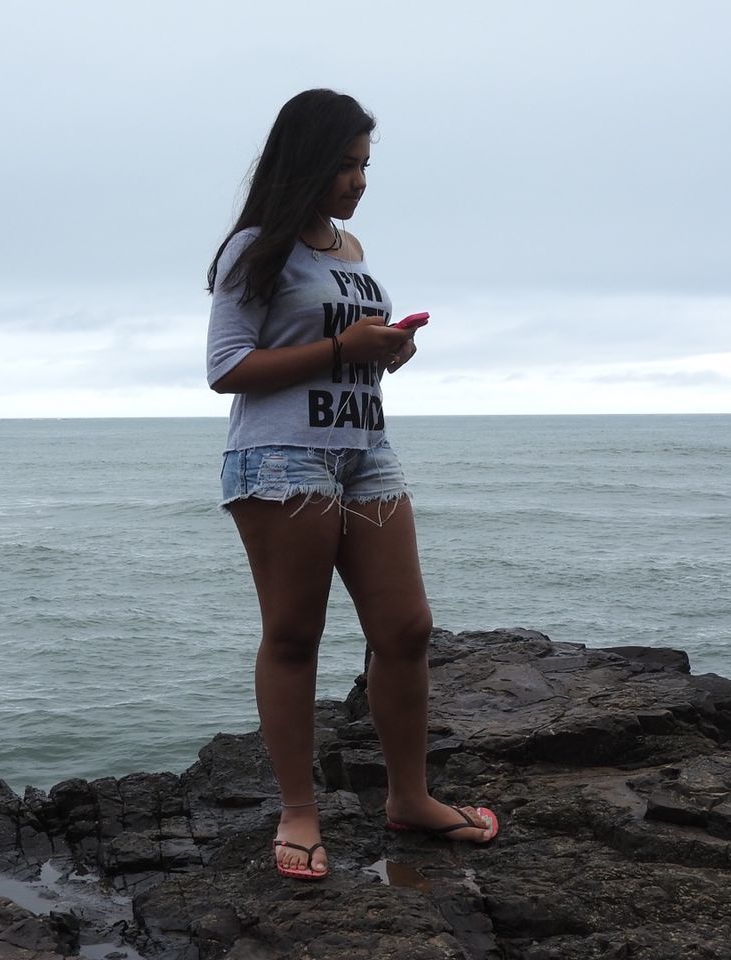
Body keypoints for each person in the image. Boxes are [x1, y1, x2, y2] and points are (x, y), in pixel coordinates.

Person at [205, 89, 497, 882]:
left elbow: (343, 343)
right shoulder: (255, 250)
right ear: (304, 161)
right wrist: (343, 351)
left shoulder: (352, 248)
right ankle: (299, 810)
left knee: (405, 630)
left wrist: (385, 352)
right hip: (281, 458)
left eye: (365, 164)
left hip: (365, 449)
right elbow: (226, 369)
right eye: (343, 163)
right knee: (295, 636)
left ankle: (410, 798)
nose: (358, 180)